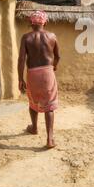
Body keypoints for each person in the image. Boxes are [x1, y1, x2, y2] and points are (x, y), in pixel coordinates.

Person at [18, 10, 60, 149]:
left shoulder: (26, 37)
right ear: (45, 22)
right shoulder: (52, 36)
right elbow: (58, 56)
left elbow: (22, 59)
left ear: (31, 23)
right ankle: (50, 139)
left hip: (32, 73)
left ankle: (34, 127)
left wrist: (20, 78)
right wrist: (54, 67)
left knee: (33, 101)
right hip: (48, 72)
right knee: (49, 104)